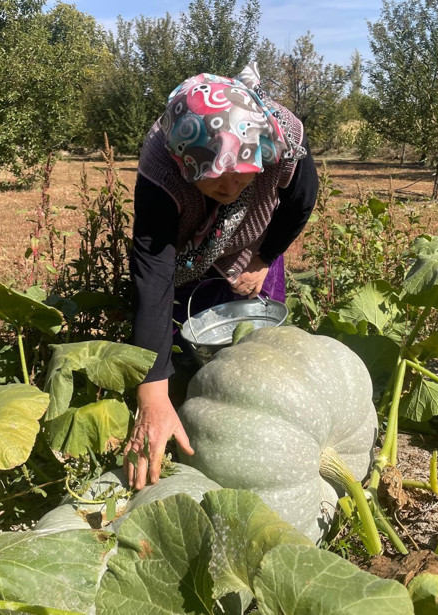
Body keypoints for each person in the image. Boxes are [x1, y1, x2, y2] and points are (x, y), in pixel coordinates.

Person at [124, 63, 319, 489]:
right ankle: (185, 420)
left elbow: (301, 202)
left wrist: (265, 257)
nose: (230, 187)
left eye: (241, 170)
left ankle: (268, 430)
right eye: (213, 176)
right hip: (185, 260)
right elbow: (153, 270)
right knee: (180, 350)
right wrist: (152, 390)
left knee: (258, 349)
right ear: (184, 163)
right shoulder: (161, 169)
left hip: (255, 246)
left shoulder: (281, 140)